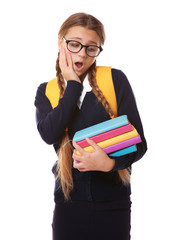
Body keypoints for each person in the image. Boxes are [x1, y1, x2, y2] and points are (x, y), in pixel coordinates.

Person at [34, 12, 147, 240]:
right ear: (60, 42)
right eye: (74, 44)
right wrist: (73, 85)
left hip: (113, 203)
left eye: (91, 48)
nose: (82, 54)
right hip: (68, 204)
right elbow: (49, 134)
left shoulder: (115, 80)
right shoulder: (46, 91)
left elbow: (140, 144)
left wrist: (108, 164)